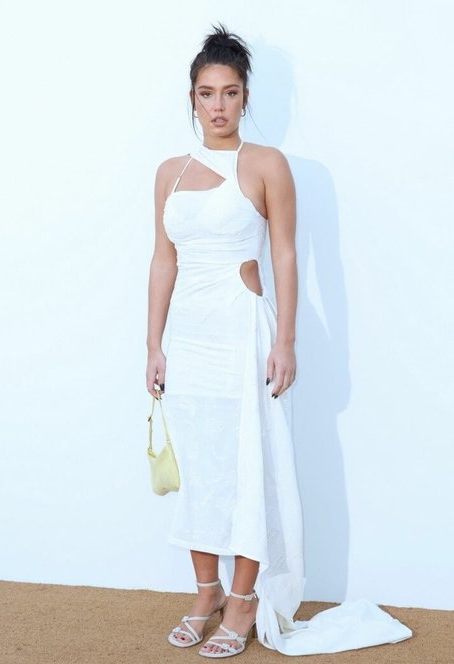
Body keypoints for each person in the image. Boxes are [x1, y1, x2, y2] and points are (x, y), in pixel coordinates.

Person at [146, 23, 412, 658]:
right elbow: (162, 260)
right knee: (200, 467)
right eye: (206, 93)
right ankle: (206, 592)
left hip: (243, 332)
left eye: (230, 92)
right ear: (191, 98)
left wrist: (286, 340)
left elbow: (287, 255)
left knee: (247, 467)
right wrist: (153, 345)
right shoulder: (169, 173)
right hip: (189, 339)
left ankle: (243, 602)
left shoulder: (267, 164)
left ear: (246, 97)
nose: (218, 106)